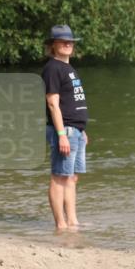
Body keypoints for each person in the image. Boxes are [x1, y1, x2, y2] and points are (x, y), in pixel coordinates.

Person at [42, 24, 89, 231]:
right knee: (59, 176)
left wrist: (81, 130)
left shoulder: (68, 68)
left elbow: (72, 101)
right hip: (65, 131)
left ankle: (73, 222)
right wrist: (61, 134)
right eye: (62, 41)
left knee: (72, 177)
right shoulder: (52, 68)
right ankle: (60, 224)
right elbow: (53, 103)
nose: (68, 44)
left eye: (70, 41)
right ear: (53, 45)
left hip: (75, 130)